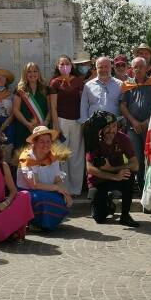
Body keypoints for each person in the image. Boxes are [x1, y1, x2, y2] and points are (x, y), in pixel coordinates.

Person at [84, 111, 140, 226]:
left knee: (129, 175)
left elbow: (135, 165)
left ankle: (125, 215)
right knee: (99, 218)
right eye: (108, 127)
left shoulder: (123, 138)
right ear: (101, 128)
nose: (112, 130)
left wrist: (112, 169)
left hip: (116, 176)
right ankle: (108, 205)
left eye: (114, 126)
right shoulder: (94, 139)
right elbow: (90, 168)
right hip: (98, 180)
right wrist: (113, 175)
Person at [17, 126, 72, 230]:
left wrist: (65, 193)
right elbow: (34, 184)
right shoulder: (27, 158)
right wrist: (57, 188)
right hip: (28, 192)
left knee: (60, 199)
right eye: (42, 141)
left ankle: (47, 223)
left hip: (48, 190)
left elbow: (57, 179)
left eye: (48, 141)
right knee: (43, 199)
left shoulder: (52, 157)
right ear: (34, 143)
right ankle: (34, 222)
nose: (46, 144)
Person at [120, 57, 151, 191]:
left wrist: (147, 121)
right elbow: (123, 105)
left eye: (140, 67)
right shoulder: (127, 84)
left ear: (146, 67)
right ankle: (139, 184)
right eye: (135, 67)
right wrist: (134, 121)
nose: (137, 69)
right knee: (136, 157)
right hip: (133, 128)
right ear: (131, 69)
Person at [48, 55, 86, 196]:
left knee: (76, 154)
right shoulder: (54, 83)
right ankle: (64, 187)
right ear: (57, 67)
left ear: (71, 65)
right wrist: (56, 126)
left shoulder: (78, 81)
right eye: (61, 64)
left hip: (77, 121)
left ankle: (76, 188)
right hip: (61, 120)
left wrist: (83, 121)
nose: (65, 66)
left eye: (67, 63)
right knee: (62, 155)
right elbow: (53, 106)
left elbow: (83, 103)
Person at [12, 62, 51, 151]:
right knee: (24, 154)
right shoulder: (20, 89)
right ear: (25, 74)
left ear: (39, 73)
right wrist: (27, 124)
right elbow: (16, 110)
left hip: (42, 127)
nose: (32, 74)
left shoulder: (45, 88)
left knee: (42, 152)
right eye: (29, 72)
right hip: (24, 127)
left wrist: (45, 123)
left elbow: (50, 109)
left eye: (35, 71)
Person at [80, 56, 122, 121]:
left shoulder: (120, 84)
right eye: (100, 67)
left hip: (114, 125)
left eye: (106, 67)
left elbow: (124, 105)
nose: (103, 69)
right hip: (94, 124)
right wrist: (84, 121)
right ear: (96, 68)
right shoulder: (88, 85)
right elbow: (84, 105)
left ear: (111, 67)